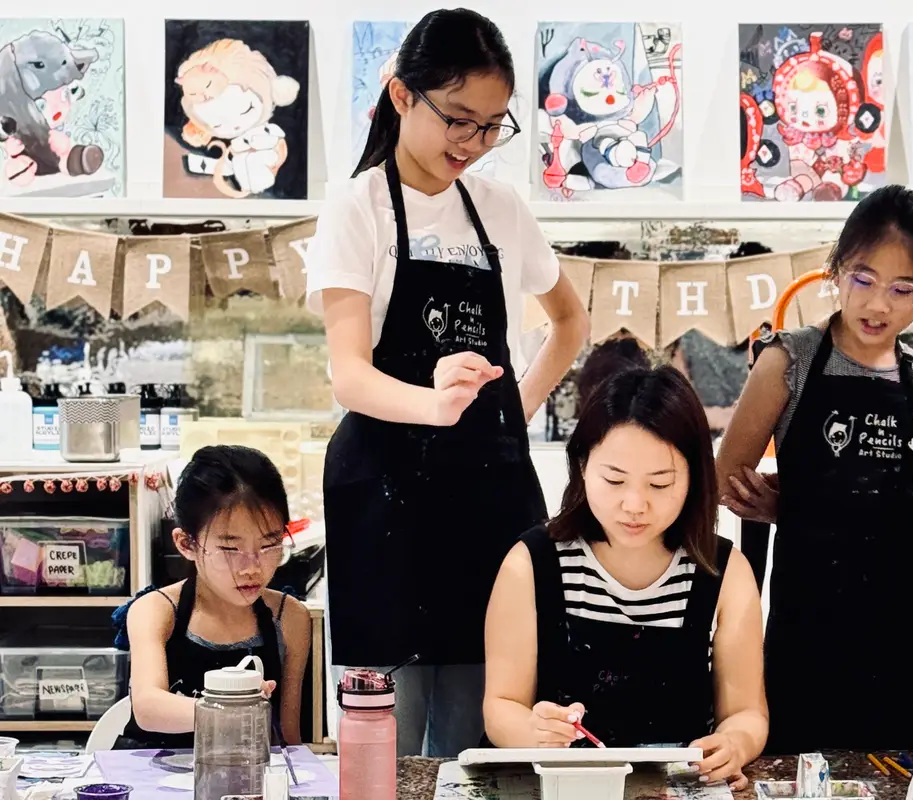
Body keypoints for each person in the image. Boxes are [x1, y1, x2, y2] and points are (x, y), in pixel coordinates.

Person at [306, 8, 590, 757]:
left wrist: (509, 411)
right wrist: (434, 406)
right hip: (385, 499)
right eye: (458, 120)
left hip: (488, 495)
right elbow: (349, 377)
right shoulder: (356, 206)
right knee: (385, 745)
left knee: (481, 732)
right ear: (402, 96)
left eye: (493, 126)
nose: (473, 144)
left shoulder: (501, 208)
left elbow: (571, 324)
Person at [715, 185, 913, 753]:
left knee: (899, 764)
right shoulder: (788, 359)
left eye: (903, 289)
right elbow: (728, 479)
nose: (878, 305)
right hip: (808, 610)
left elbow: (912, 493)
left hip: (901, 613)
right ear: (836, 269)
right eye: (863, 279)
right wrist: (784, 505)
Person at [484, 367, 767, 787]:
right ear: (582, 466)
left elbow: (746, 712)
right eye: (614, 480)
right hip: (559, 785)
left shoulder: (723, 572)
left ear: (693, 478)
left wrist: (735, 743)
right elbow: (501, 705)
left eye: (659, 484)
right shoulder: (531, 563)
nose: (634, 505)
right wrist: (534, 732)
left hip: (675, 787)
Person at [113, 445, 312, 749]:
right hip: (154, 777)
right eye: (231, 549)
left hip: (244, 782)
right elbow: (148, 707)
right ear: (187, 543)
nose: (252, 568)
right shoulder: (157, 610)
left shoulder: (289, 617)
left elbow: (287, 740)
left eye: (269, 545)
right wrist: (233, 710)